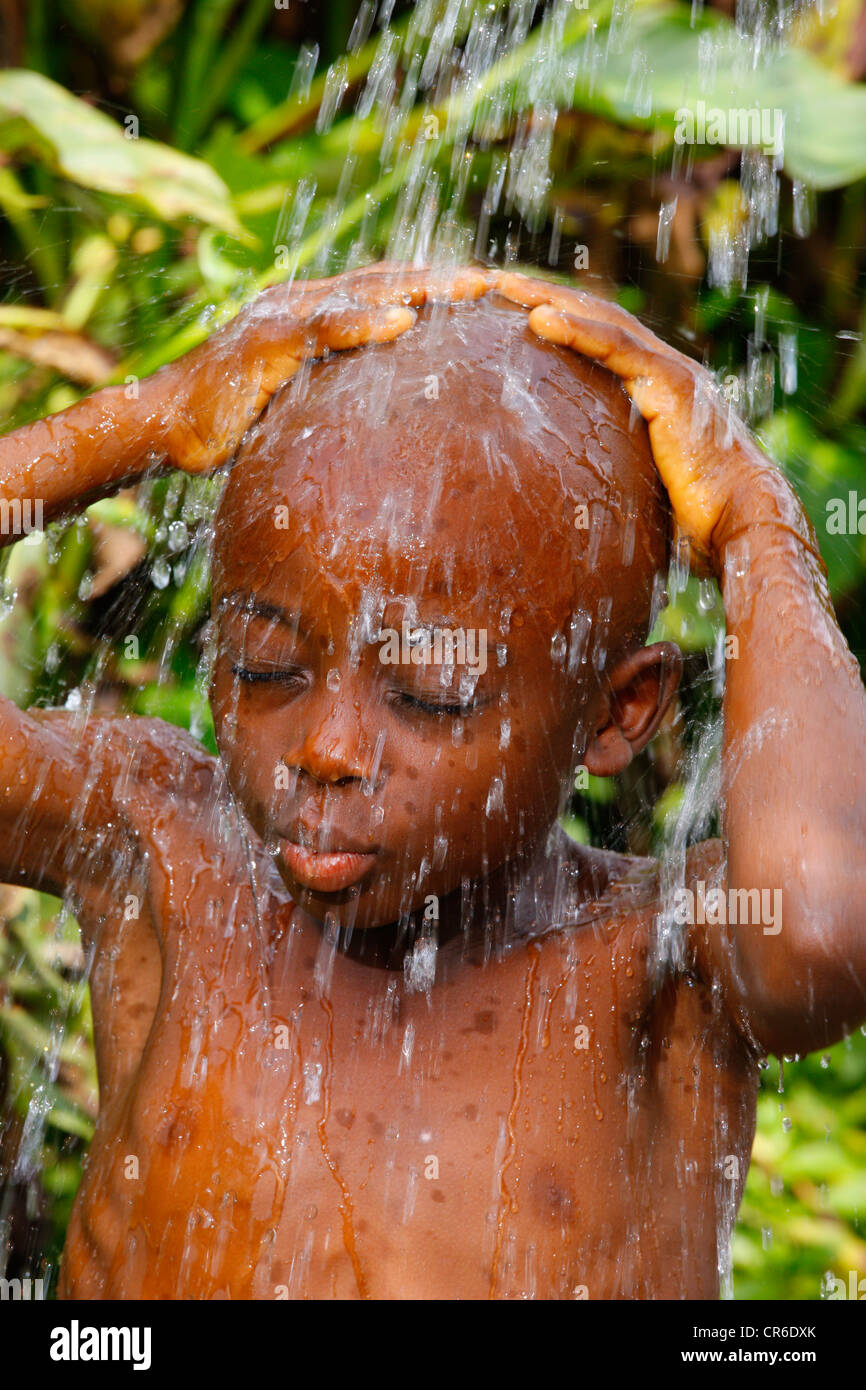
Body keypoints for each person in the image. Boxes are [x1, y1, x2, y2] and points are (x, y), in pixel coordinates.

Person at [0, 262, 863, 1299]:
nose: (325, 745)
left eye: (429, 695)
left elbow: (819, 929)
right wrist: (153, 416)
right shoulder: (168, 847)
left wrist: (760, 533)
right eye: (265, 667)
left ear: (614, 710)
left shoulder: (660, 955)